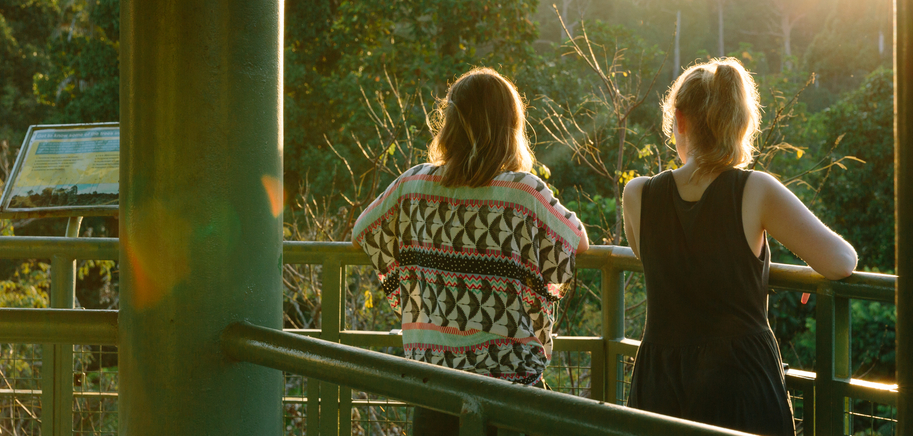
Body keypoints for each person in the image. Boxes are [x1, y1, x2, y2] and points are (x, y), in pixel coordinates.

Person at [622, 58, 857, 435]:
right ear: (739, 123)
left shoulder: (638, 194)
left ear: (679, 121)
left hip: (660, 384)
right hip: (740, 381)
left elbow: (652, 255)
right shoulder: (754, 190)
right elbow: (842, 261)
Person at [352, 67, 590, 436]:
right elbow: (578, 241)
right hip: (509, 388)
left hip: (433, 383)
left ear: (449, 124)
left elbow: (362, 231)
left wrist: (420, 272)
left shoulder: (414, 184)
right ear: (511, 127)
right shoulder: (524, 192)